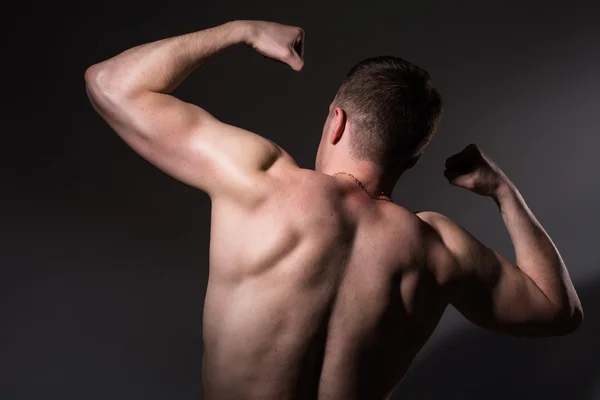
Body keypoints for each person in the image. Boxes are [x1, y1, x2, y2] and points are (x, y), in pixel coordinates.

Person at [84, 19, 583, 400]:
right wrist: (501, 191)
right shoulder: (439, 249)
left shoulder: (261, 181)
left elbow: (109, 82)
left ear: (336, 122)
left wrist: (242, 30)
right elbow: (557, 311)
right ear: (412, 157)